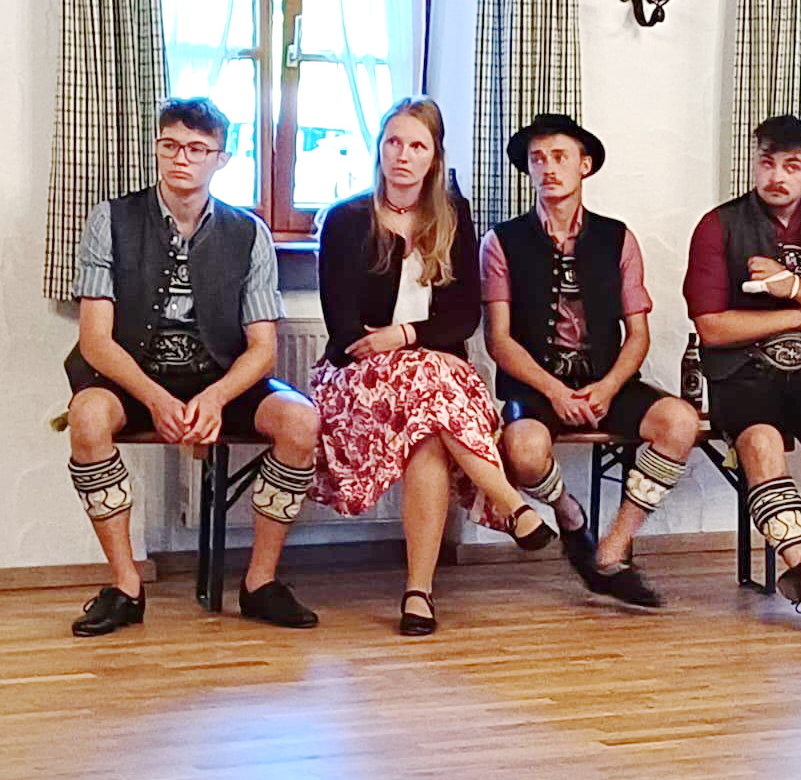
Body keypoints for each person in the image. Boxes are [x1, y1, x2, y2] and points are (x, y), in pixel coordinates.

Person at [63, 98, 321, 637]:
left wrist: (218, 396)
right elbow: (95, 341)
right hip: (132, 378)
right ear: (157, 148)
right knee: (86, 418)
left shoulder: (249, 233)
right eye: (171, 145)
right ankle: (126, 587)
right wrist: (156, 398)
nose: (182, 158)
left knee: (300, 421)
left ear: (220, 159)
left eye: (197, 149)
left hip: (217, 379)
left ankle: (260, 583)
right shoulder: (111, 220)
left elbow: (262, 350)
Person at [312, 97, 548, 636]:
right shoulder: (344, 220)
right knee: (432, 390)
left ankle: (419, 593)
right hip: (357, 379)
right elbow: (345, 330)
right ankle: (511, 504)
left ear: (434, 157)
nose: (403, 155)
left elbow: (464, 317)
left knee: (430, 431)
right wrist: (410, 348)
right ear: (379, 148)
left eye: (417, 146)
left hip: (435, 382)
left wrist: (403, 336)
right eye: (393, 142)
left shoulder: (453, 219)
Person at [483, 114, 701, 608]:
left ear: (584, 165)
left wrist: (607, 387)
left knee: (680, 421)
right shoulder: (500, 242)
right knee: (522, 453)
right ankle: (570, 515)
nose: (548, 168)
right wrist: (555, 391)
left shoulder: (618, 238)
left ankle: (612, 548)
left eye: (560, 157)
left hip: (607, 381)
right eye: (538, 159)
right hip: (536, 385)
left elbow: (638, 335)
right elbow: (499, 340)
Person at [684, 115, 801, 634]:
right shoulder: (718, 225)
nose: (777, 176)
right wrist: (799, 317)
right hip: (742, 373)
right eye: (767, 163)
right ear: (754, 165)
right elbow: (712, 328)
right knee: (761, 446)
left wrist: (792, 286)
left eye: (792, 166)